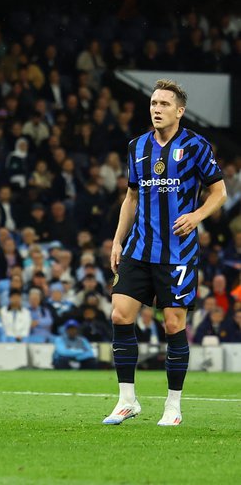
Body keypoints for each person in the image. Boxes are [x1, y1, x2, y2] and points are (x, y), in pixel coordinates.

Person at [106, 79, 226, 427]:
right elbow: (130, 198)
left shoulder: (196, 146)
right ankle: (127, 400)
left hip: (178, 254)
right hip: (139, 248)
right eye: (153, 103)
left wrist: (197, 215)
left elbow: (219, 192)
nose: (156, 109)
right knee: (119, 315)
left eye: (163, 104)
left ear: (180, 111)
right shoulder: (137, 146)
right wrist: (117, 241)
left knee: (174, 324)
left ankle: (173, 406)